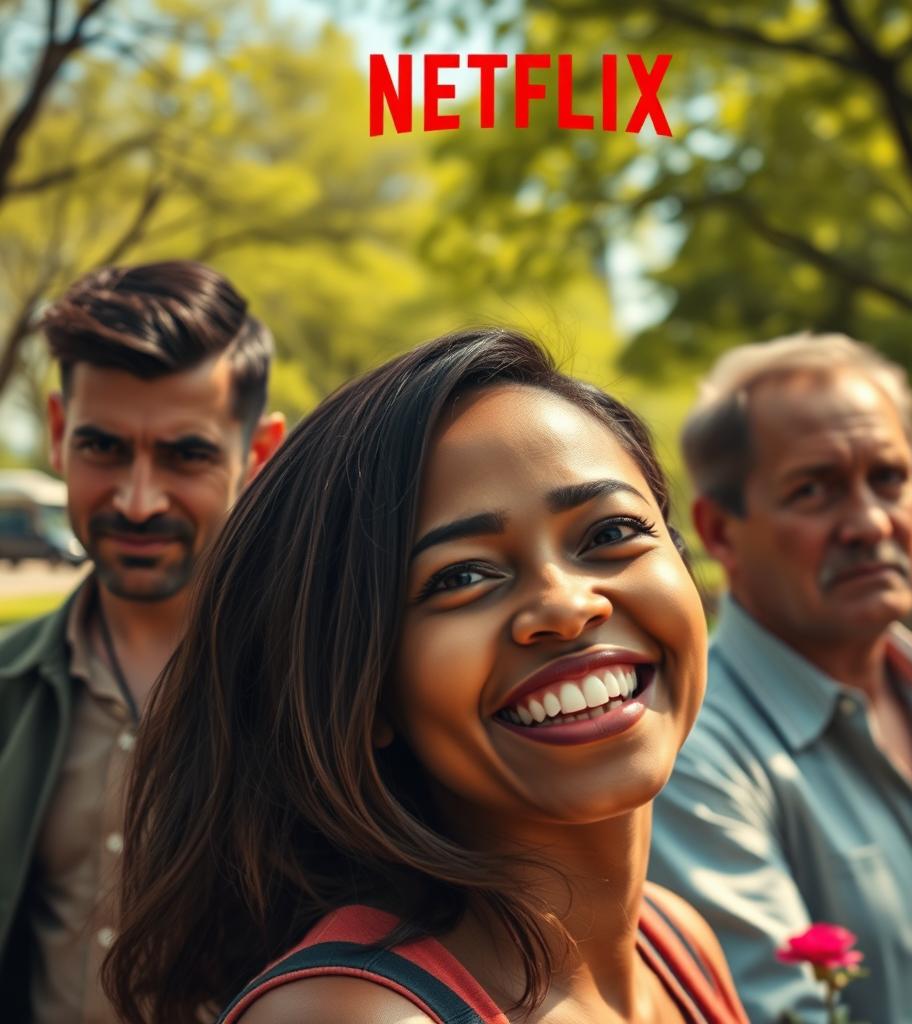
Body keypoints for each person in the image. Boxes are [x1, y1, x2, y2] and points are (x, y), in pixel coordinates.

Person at [104, 328, 750, 1024]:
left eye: (609, 533)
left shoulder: (675, 943)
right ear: (363, 688)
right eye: (461, 576)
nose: (565, 606)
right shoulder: (356, 1015)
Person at [648, 333, 912, 1024]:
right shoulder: (691, 761)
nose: (870, 522)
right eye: (813, 489)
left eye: (889, 478)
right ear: (721, 532)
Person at [0, 260, 285, 1021]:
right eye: (104, 448)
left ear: (257, 455)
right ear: (59, 434)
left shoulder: (325, 696)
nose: (136, 499)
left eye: (186, 454)